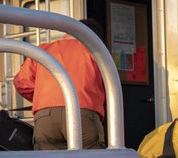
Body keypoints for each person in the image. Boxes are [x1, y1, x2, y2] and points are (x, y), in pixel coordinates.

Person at [13, 18, 107, 150]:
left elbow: (22, 83)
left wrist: (45, 97)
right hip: (83, 114)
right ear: (94, 36)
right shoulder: (96, 51)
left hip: (46, 117)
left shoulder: (43, 50)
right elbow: (109, 87)